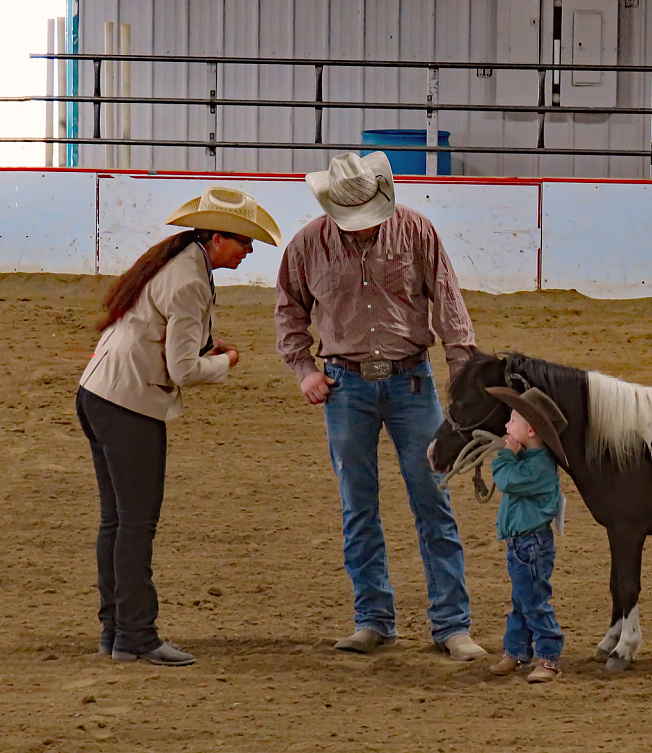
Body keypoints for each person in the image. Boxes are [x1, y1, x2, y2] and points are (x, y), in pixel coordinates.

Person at [274, 152, 485, 661]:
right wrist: (304, 371)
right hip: (345, 386)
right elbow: (289, 309)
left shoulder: (417, 232)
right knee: (358, 504)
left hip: (413, 380)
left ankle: (452, 623)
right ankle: (373, 618)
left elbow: (449, 305)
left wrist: (465, 382)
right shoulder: (307, 245)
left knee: (432, 499)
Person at [76, 187, 281, 666]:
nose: (248, 250)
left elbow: (162, 333)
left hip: (99, 393)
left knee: (117, 520)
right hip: (130, 403)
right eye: (243, 241)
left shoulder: (179, 264)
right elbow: (183, 371)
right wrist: (226, 360)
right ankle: (136, 636)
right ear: (215, 238)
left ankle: (117, 630)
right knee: (135, 524)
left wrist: (203, 345)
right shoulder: (189, 279)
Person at [485, 387, 568, 683]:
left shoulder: (536, 468)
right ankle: (516, 650)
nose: (506, 427)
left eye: (512, 420)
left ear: (529, 430)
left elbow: (505, 479)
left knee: (533, 601)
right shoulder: (534, 462)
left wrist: (506, 454)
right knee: (522, 600)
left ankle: (548, 655)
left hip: (530, 545)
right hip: (524, 544)